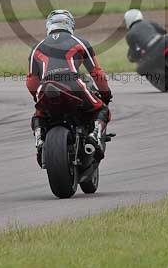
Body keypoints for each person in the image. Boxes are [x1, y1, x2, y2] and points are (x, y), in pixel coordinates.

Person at [26, 9, 113, 164]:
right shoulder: (80, 42)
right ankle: (94, 135)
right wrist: (105, 94)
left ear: (49, 25)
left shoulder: (36, 48)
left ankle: (39, 142)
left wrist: (37, 96)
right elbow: (96, 72)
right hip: (74, 84)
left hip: (46, 86)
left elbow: (32, 80)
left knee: (38, 115)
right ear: (70, 24)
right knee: (102, 109)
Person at [123, 9, 168, 92]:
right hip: (166, 42)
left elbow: (136, 50)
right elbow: (164, 32)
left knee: (140, 69)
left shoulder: (130, 34)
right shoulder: (150, 23)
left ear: (128, 20)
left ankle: (165, 79)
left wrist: (133, 57)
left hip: (153, 51)